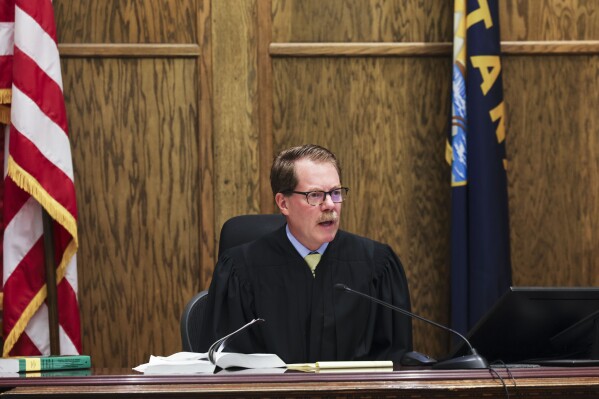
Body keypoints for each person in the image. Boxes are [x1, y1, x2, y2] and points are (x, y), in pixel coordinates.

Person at [198, 144, 412, 363]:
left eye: (336, 193)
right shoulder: (240, 270)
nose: (330, 205)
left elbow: (394, 361)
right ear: (283, 203)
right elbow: (227, 367)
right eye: (315, 195)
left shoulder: (377, 265)